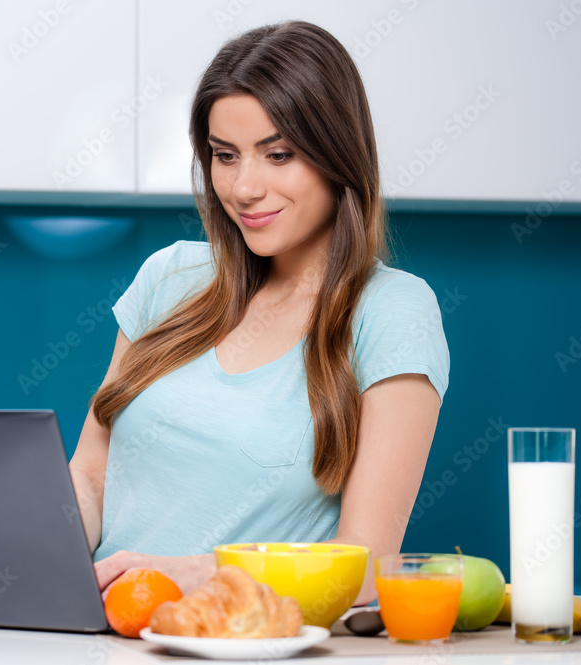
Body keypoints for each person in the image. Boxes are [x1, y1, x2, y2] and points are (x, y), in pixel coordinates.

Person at [68, 19, 448, 607]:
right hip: (110, 633)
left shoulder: (393, 310)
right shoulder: (168, 277)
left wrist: (199, 573)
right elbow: (91, 473)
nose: (244, 187)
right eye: (225, 155)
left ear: (337, 155)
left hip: (249, 642)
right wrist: (28, 554)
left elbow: (370, 564)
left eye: (278, 155)